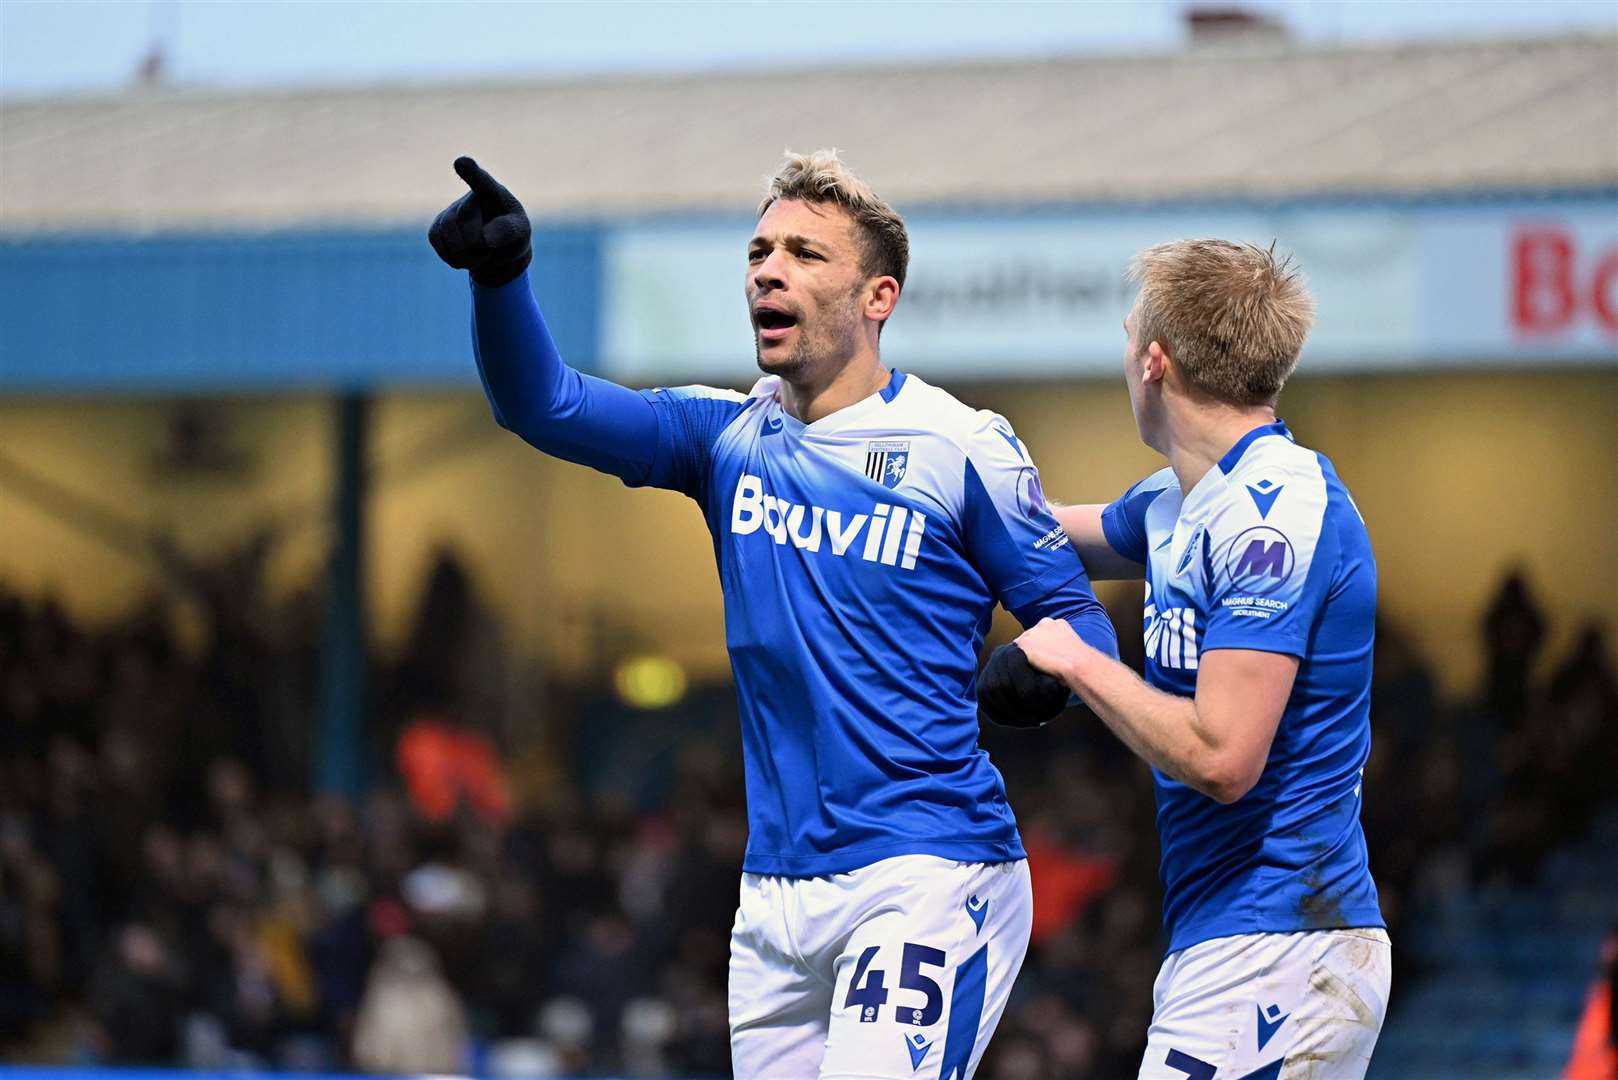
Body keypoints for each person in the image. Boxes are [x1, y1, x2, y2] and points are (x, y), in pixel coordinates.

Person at [428, 151, 1119, 1079]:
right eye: (759, 250)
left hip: (926, 872)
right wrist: (499, 280)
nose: (768, 269)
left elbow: (1081, 619)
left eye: (804, 253)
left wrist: (1044, 668)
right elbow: (544, 404)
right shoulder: (726, 438)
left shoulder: (963, 448)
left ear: (878, 296)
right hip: (775, 902)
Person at [988, 240, 1390, 1078]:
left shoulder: (1273, 519)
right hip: (1237, 942)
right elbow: (1033, 538)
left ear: (1154, 361)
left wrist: (1078, 662)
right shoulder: (1181, 503)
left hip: (1282, 944)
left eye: (1127, 336)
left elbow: (1223, 757)